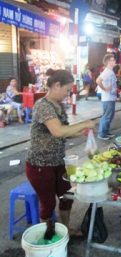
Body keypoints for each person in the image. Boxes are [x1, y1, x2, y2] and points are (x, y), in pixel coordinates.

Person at [25, 69, 95, 233]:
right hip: (39, 165)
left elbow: (64, 132)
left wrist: (80, 133)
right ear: (57, 85)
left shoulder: (59, 106)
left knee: (66, 197)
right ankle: (49, 238)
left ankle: (65, 230)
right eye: (67, 89)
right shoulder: (43, 106)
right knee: (48, 204)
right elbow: (58, 131)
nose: (68, 93)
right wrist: (85, 124)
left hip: (57, 162)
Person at [96, 54, 117, 140]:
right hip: (107, 98)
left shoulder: (110, 71)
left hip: (111, 97)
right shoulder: (107, 71)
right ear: (108, 62)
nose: (114, 61)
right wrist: (104, 89)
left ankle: (106, 132)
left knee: (110, 115)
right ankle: (101, 134)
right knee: (107, 116)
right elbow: (98, 80)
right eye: (112, 60)